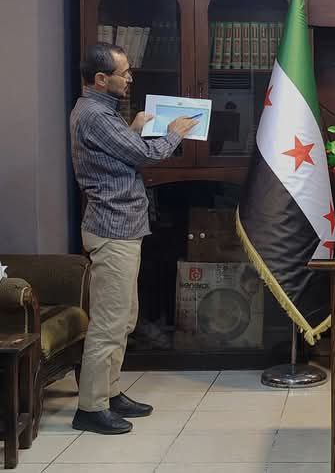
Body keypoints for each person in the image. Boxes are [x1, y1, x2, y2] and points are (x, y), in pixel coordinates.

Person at [69, 43, 197, 435]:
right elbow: (145, 155)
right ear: (100, 79)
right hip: (112, 229)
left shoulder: (101, 113)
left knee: (123, 318)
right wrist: (173, 133)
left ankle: (109, 393)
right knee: (109, 323)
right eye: (124, 73)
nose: (130, 78)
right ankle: (91, 407)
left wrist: (134, 129)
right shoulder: (95, 115)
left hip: (121, 227)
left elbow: (117, 154)